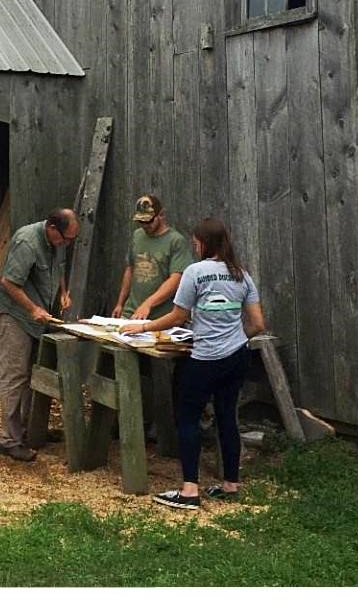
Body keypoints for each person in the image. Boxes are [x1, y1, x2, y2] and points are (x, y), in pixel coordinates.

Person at [122, 217, 266, 510]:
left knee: (188, 418)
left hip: (204, 359)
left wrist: (144, 328)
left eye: (195, 242)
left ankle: (189, 490)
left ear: (202, 243)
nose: (194, 246)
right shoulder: (242, 275)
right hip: (236, 357)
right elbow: (258, 324)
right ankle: (230, 485)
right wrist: (236, 337)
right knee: (227, 419)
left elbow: (177, 316)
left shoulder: (195, 272)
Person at [0, 208, 79, 461]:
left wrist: (64, 291)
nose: (68, 243)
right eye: (66, 238)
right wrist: (33, 308)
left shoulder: (59, 241)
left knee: (33, 373)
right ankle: (9, 440)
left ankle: (30, 430)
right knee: (15, 374)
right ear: (52, 228)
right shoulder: (27, 241)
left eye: (72, 239)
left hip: (36, 316)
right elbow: (9, 282)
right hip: (15, 314)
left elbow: (59, 267)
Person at [112, 195, 194, 321]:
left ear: (161, 215)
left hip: (160, 317)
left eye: (149, 221)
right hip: (131, 313)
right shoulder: (137, 236)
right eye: (141, 221)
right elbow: (130, 269)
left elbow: (176, 280)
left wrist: (148, 304)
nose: (145, 225)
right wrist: (120, 303)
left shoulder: (175, 241)